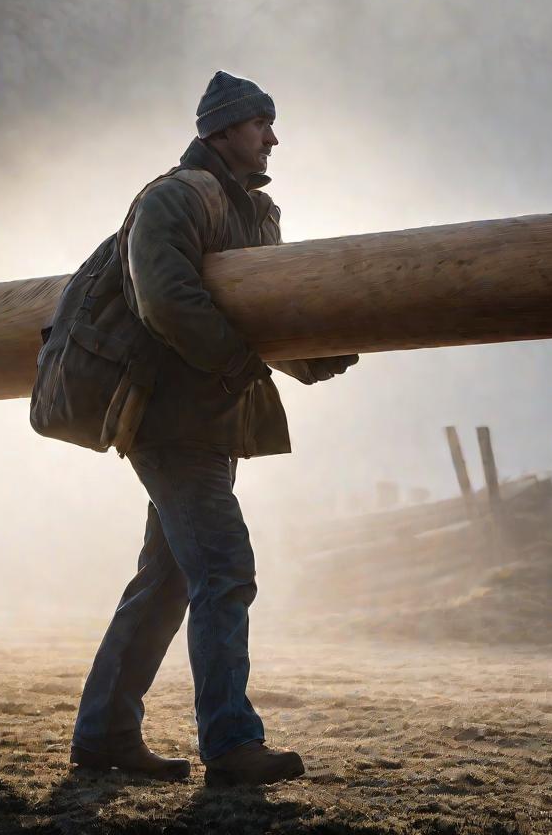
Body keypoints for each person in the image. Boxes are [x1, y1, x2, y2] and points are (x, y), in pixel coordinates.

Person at [69, 71, 358, 785]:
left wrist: (316, 356)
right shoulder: (174, 198)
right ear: (221, 130)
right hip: (169, 421)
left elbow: (256, 312)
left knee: (167, 581)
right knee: (225, 569)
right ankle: (231, 744)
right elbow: (165, 299)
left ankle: (104, 734)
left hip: (213, 421)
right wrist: (237, 366)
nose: (273, 136)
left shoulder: (259, 215)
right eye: (262, 122)